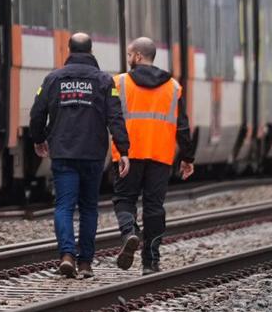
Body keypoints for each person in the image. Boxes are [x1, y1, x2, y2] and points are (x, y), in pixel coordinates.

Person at [29, 32, 130, 279]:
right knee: (88, 208)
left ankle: (66, 256)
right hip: (93, 152)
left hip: (63, 150)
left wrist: (38, 138)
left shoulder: (53, 79)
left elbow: (37, 112)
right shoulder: (104, 81)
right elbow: (115, 117)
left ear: (69, 49)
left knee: (64, 205)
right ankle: (85, 263)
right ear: (91, 50)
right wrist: (123, 150)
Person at [111, 36, 197, 275]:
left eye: (129, 55)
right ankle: (151, 261)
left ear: (137, 56)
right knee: (154, 207)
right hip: (160, 156)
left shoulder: (119, 83)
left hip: (127, 155)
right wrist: (188, 158)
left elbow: (112, 119)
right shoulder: (173, 87)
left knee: (124, 199)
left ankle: (130, 233)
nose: (128, 59)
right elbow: (182, 127)